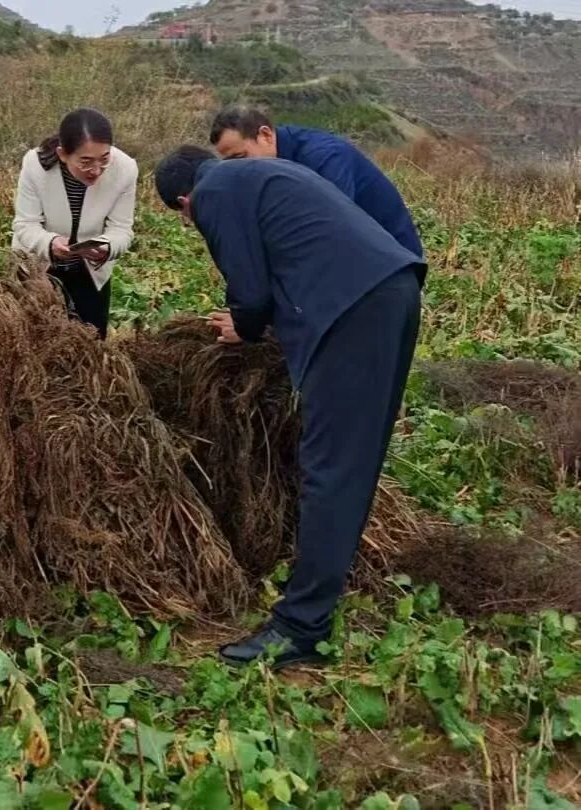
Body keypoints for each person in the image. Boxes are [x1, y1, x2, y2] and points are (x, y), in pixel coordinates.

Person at [155, 146, 426, 669]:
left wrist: (247, 326)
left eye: (187, 219)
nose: (195, 224)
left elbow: (251, 294)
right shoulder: (262, 173)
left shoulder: (215, 193)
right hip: (392, 292)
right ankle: (318, 600)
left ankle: (301, 628)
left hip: (354, 313)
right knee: (353, 465)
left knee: (327, 470)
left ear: (184, 202)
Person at [209, 106, 423, 259]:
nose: (237, 171)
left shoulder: (324, 157)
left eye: (240, 158)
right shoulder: (270, 166)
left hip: (389, 263)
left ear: (265, 135)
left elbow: (331, 228)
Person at [13, 108, 138, 339]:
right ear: (62, 154)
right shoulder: (35, 165)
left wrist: (107, 247)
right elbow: (25, 224)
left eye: (104, 159)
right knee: (35, 341)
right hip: (39, 268)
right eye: (86, 162)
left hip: (90, 272)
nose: (96, 170)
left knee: (90, 342)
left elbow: (122, 229)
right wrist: (49, 242)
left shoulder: (125, 169)